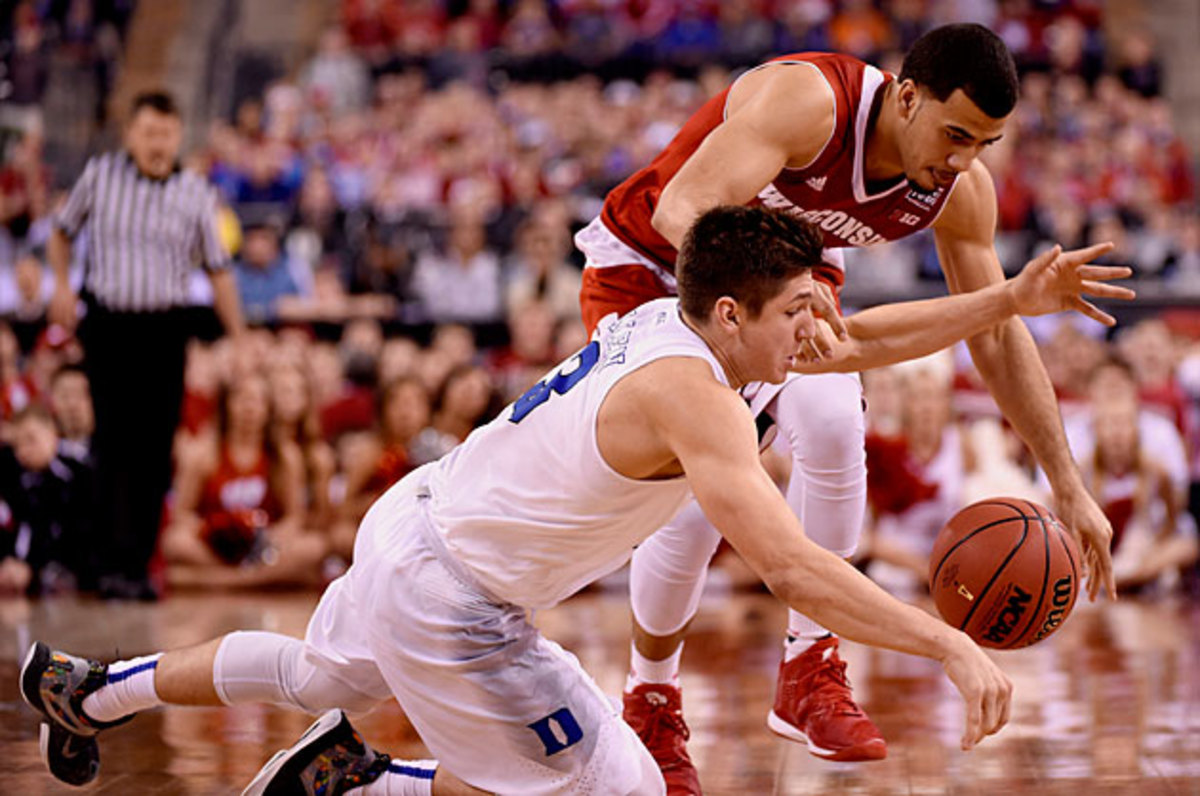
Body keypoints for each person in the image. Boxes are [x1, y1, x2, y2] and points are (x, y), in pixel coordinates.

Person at [20, 206, 1131, 794]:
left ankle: (91, 694)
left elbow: (870, 335)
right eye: (800, 309)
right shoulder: (691, 397)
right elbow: (792, 569)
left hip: (420, 517)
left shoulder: (679, 320)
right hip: (459, 601)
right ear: (738, 313)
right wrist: (950, 646)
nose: (818, 331)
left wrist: (1010, 294)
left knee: (322, 677)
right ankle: (368, 774)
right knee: (613, 788)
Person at [574, 23, 1120, 779]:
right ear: (904, 97)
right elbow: (682, 209)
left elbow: (996, 331)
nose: (962, 160)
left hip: (784, 284)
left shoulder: (959, 190)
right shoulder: (811, 102)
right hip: (653, 267)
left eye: (984, 145)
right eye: (955, 134)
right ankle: (651, 697)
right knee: (696, 494)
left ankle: (810, 668)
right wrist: (786, 293)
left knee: (833, 419)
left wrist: (1067, 481)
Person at [47, 90, 244, 600]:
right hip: (109, 325)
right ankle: (103, 563)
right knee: (110, 442)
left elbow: (218, 271)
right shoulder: (100, 176)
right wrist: (63, 286)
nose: (158, 142)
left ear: (179, 136)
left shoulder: (197, 192)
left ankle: (136, 567)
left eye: (166, 133)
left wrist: (240, 337)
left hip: (165, 330)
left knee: (155, 450)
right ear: (131, 134)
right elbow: (62, 231)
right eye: (148, 132)